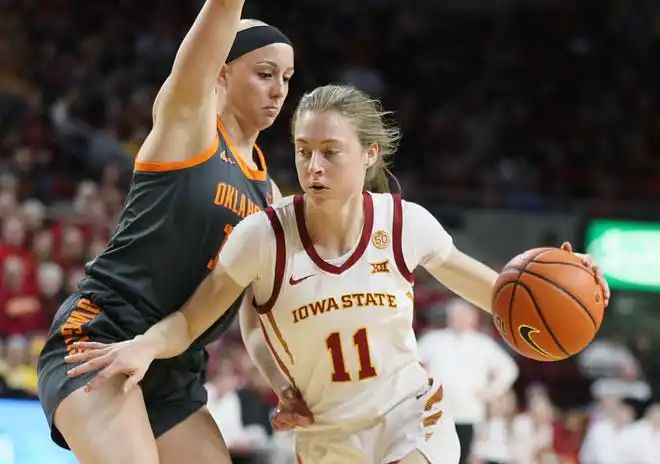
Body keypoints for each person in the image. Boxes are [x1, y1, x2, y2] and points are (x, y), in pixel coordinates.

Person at [64, 85, 610, 464]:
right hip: (325, 437)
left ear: (369, 155)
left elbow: (501, 295)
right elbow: (193, 321)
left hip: (410, 415)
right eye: (303, 152)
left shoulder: (403, 224)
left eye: (331, 152)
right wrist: (144, 345)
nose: (313, 167)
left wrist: (573, 281)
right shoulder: (263, 236)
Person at [36, 0, 295, 462]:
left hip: (178, 369)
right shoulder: (189, 128)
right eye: (264, 73)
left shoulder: (269, 193)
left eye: (286, 78)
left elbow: (252, 309)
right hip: (105, 334)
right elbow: (213, 24)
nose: (278, 90)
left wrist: (279, 382)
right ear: (221, 72)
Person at [417, 298, 519, 463]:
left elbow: (509, 369)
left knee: (465, 458)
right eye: (456, 316)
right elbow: (412, 364)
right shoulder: (433, 340)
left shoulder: (482, 343)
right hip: (437, 414)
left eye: (464, 315)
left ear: (473, 318)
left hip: (470, 413)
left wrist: (491, 392)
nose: (460, 320)